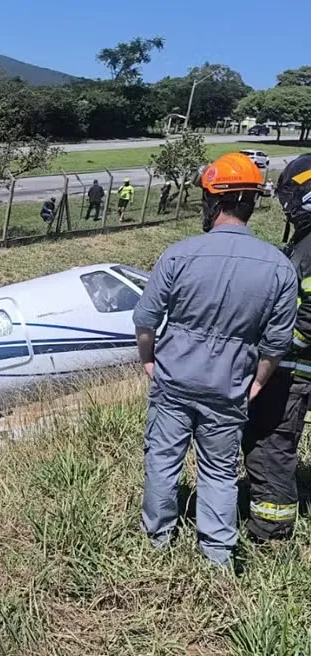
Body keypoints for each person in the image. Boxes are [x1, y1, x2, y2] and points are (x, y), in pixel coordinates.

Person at [132, 152, 298, 568]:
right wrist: (256, 383)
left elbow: (146, 321)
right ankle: (217, 554)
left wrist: (150, 362)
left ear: (212, 200)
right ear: (251, 202)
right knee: (219, 472)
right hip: (230, 387)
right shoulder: (279, 267)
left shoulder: (179, 254)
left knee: (162, 460)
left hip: (174, 379)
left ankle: (157, 541)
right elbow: (275, 345)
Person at [242, 153, 311, 543]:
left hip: (294, 371)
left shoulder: (309, 248)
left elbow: (308, 320)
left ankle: (270, 533)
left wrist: (275, 352)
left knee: (270, 445)